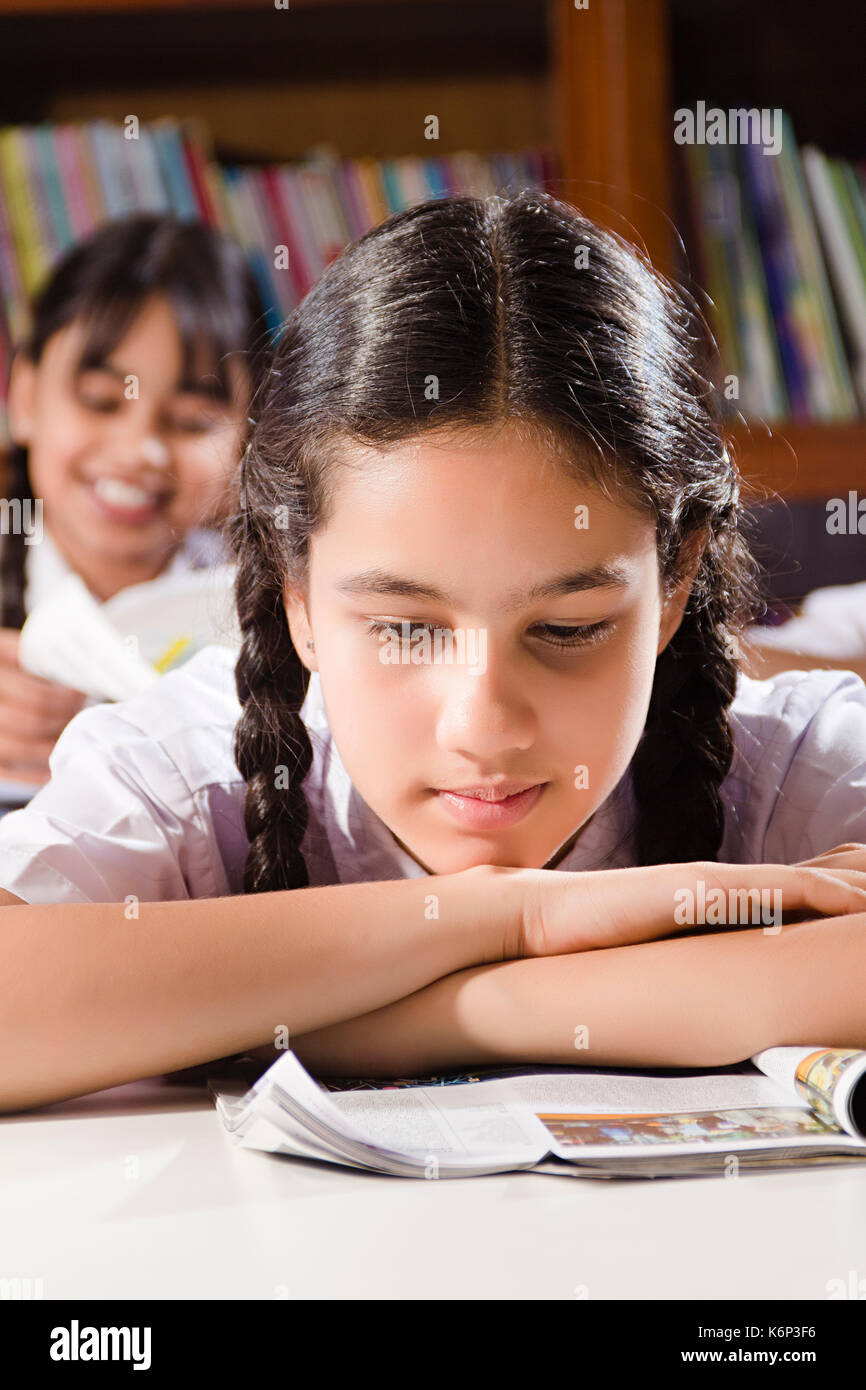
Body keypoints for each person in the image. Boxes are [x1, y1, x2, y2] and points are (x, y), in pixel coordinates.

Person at [2, 190, 866, 1114]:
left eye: (568, 629)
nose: (483, 725)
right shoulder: (186, 772)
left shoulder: (795, 767)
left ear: (676, 582)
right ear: (296, 590)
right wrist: (516, 915)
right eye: (405, 628)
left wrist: (434, 1009)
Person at [0, 213, 268, 799]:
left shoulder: (287, 610)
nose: (140, 450)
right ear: (24, 397)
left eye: (191, 421)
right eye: (101, 401)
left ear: (249, 437)